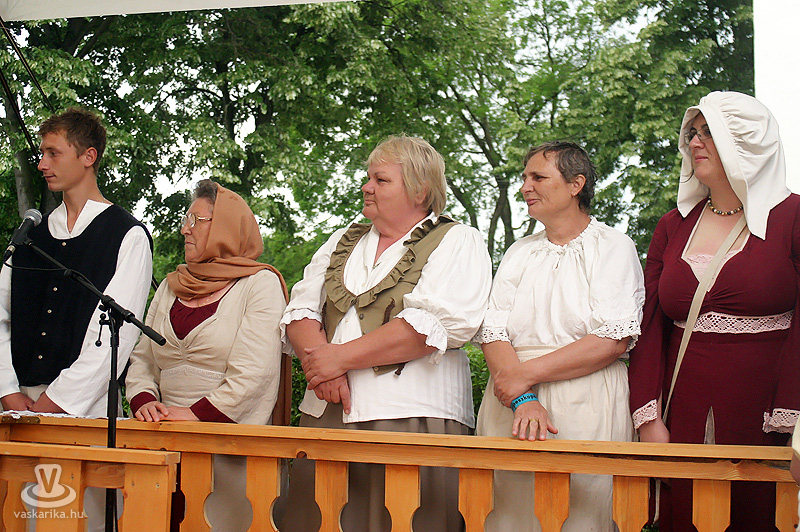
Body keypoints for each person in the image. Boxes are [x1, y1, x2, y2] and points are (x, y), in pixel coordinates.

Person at [279, 135, 491, 532]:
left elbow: (431, 326)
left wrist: (336, 359)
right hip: (328, 411)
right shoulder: (344, 238)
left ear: (420, 190)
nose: (367, 187)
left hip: (413, 417)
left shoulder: (458, 240)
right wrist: (323, 369)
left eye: (381, 179)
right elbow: (300, 309)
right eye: (368, 177)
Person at [628, 91, 800, 531]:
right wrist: (649, 418)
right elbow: (650, 327)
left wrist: (792, 414)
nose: (694, 142)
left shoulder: (794, 217)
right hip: (681, 412)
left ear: (746, 142)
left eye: (709, 132)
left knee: (761, 517)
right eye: (692, 133)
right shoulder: (673, 224)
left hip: (766, 415)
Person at [475, 141, 644, 532]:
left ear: (575, 184)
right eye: (524, 178)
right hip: (512, 403)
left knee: (581, 515)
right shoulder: (519, 252)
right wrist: (523, 397)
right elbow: (493, 330)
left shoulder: (613, 246)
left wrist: (523, 376)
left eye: (538, 177)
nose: (525, 187)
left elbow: (611, 339)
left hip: (586, 399)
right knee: (510, 515)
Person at [0, 107, 153, 532]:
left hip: (85, 411)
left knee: (80, 519)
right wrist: (9, 393)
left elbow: (114, 337)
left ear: (88, 156)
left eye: (53, 153)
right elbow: (0, 318)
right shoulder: (29, 236)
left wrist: (54, 405)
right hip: (17, 409)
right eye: (41, 154)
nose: (42, 164)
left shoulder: (127, 235)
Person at [125, 179, 287, 532]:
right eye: (186, 220)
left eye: (196, 220)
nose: (185, 229)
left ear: (226, 227)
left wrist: (194, 415)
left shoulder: (260, 285)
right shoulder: (170, 286)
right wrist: (144, 401)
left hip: (226, 445)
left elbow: (255, 374)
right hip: (160, 442)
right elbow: (143, 358)